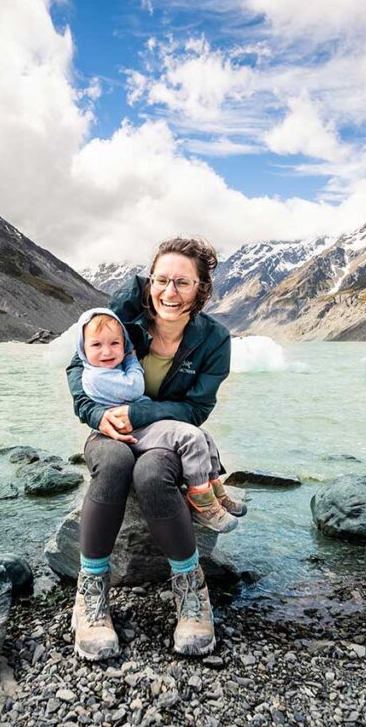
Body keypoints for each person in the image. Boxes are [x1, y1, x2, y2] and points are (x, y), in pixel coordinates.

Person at [66, 236, 234, 661]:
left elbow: (196, 408)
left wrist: (139, 413)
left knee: (152, 474)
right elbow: (79, 360)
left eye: (183, 282)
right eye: (161, 280)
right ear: (150, 280)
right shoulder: (127, 306)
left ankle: (191, 593)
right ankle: (90, 595)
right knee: (117, 463)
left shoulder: (214, 340)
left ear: (201, 288)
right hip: (110, 429)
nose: (169, 292)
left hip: (164, 434)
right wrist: (94, 415)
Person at [74, 307, 245, 532]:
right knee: (191, 437)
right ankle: (202, 505)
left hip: (139, 422)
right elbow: (135, 387)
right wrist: (132, 360)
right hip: (129, 429)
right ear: (83, 349)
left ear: (123, 343)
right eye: (97, 345)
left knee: (205, 437)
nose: (107, 351)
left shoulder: (108, 369)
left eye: (115, 344)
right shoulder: (95, 377)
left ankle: (215, 492)